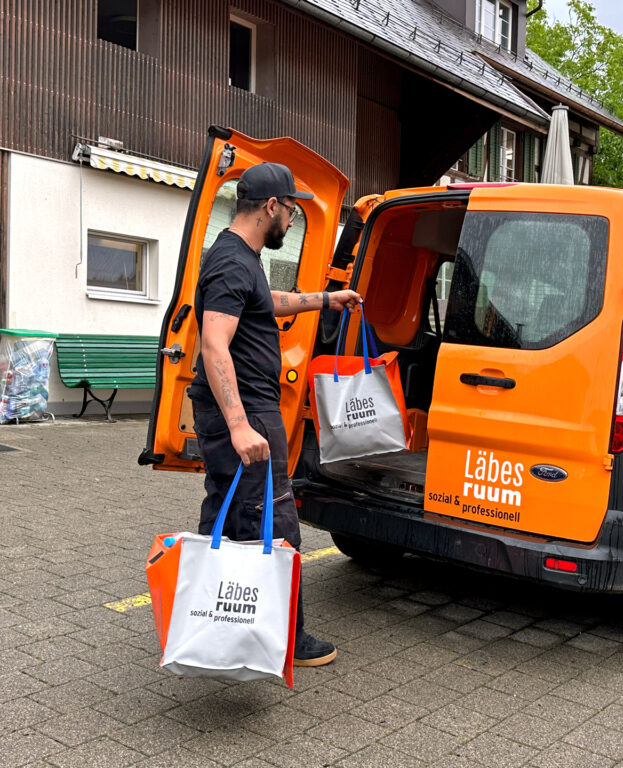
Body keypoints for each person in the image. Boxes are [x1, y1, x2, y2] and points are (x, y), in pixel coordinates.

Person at [188, 161, 361, 667]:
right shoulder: (231, 263)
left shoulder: (241, 258)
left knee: (230, 510)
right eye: (291, 211)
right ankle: (287, 637)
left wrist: (325, 299)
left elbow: (268, 303)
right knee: (274, 517)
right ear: (271, 206)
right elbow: (215, 344)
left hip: (244, 409)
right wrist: (241, 425)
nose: (292, 220)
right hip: (246, 411)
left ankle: (216, 618)